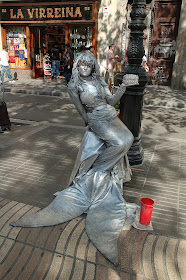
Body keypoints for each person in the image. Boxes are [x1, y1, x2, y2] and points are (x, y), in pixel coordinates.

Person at [11, 51, 139, 266]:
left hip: (109, 113)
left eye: (88, 66)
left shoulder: (100, 81)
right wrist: (88, 122)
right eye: (81, 66)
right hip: (95, 118)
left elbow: (112, 101)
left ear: (93, 67)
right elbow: (81, 110)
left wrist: (124, 87)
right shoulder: (74, 86)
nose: (84, 69)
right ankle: (98, 171)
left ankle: (100, 169)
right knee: (119, 143)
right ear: (76, 67)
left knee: (129, 138)